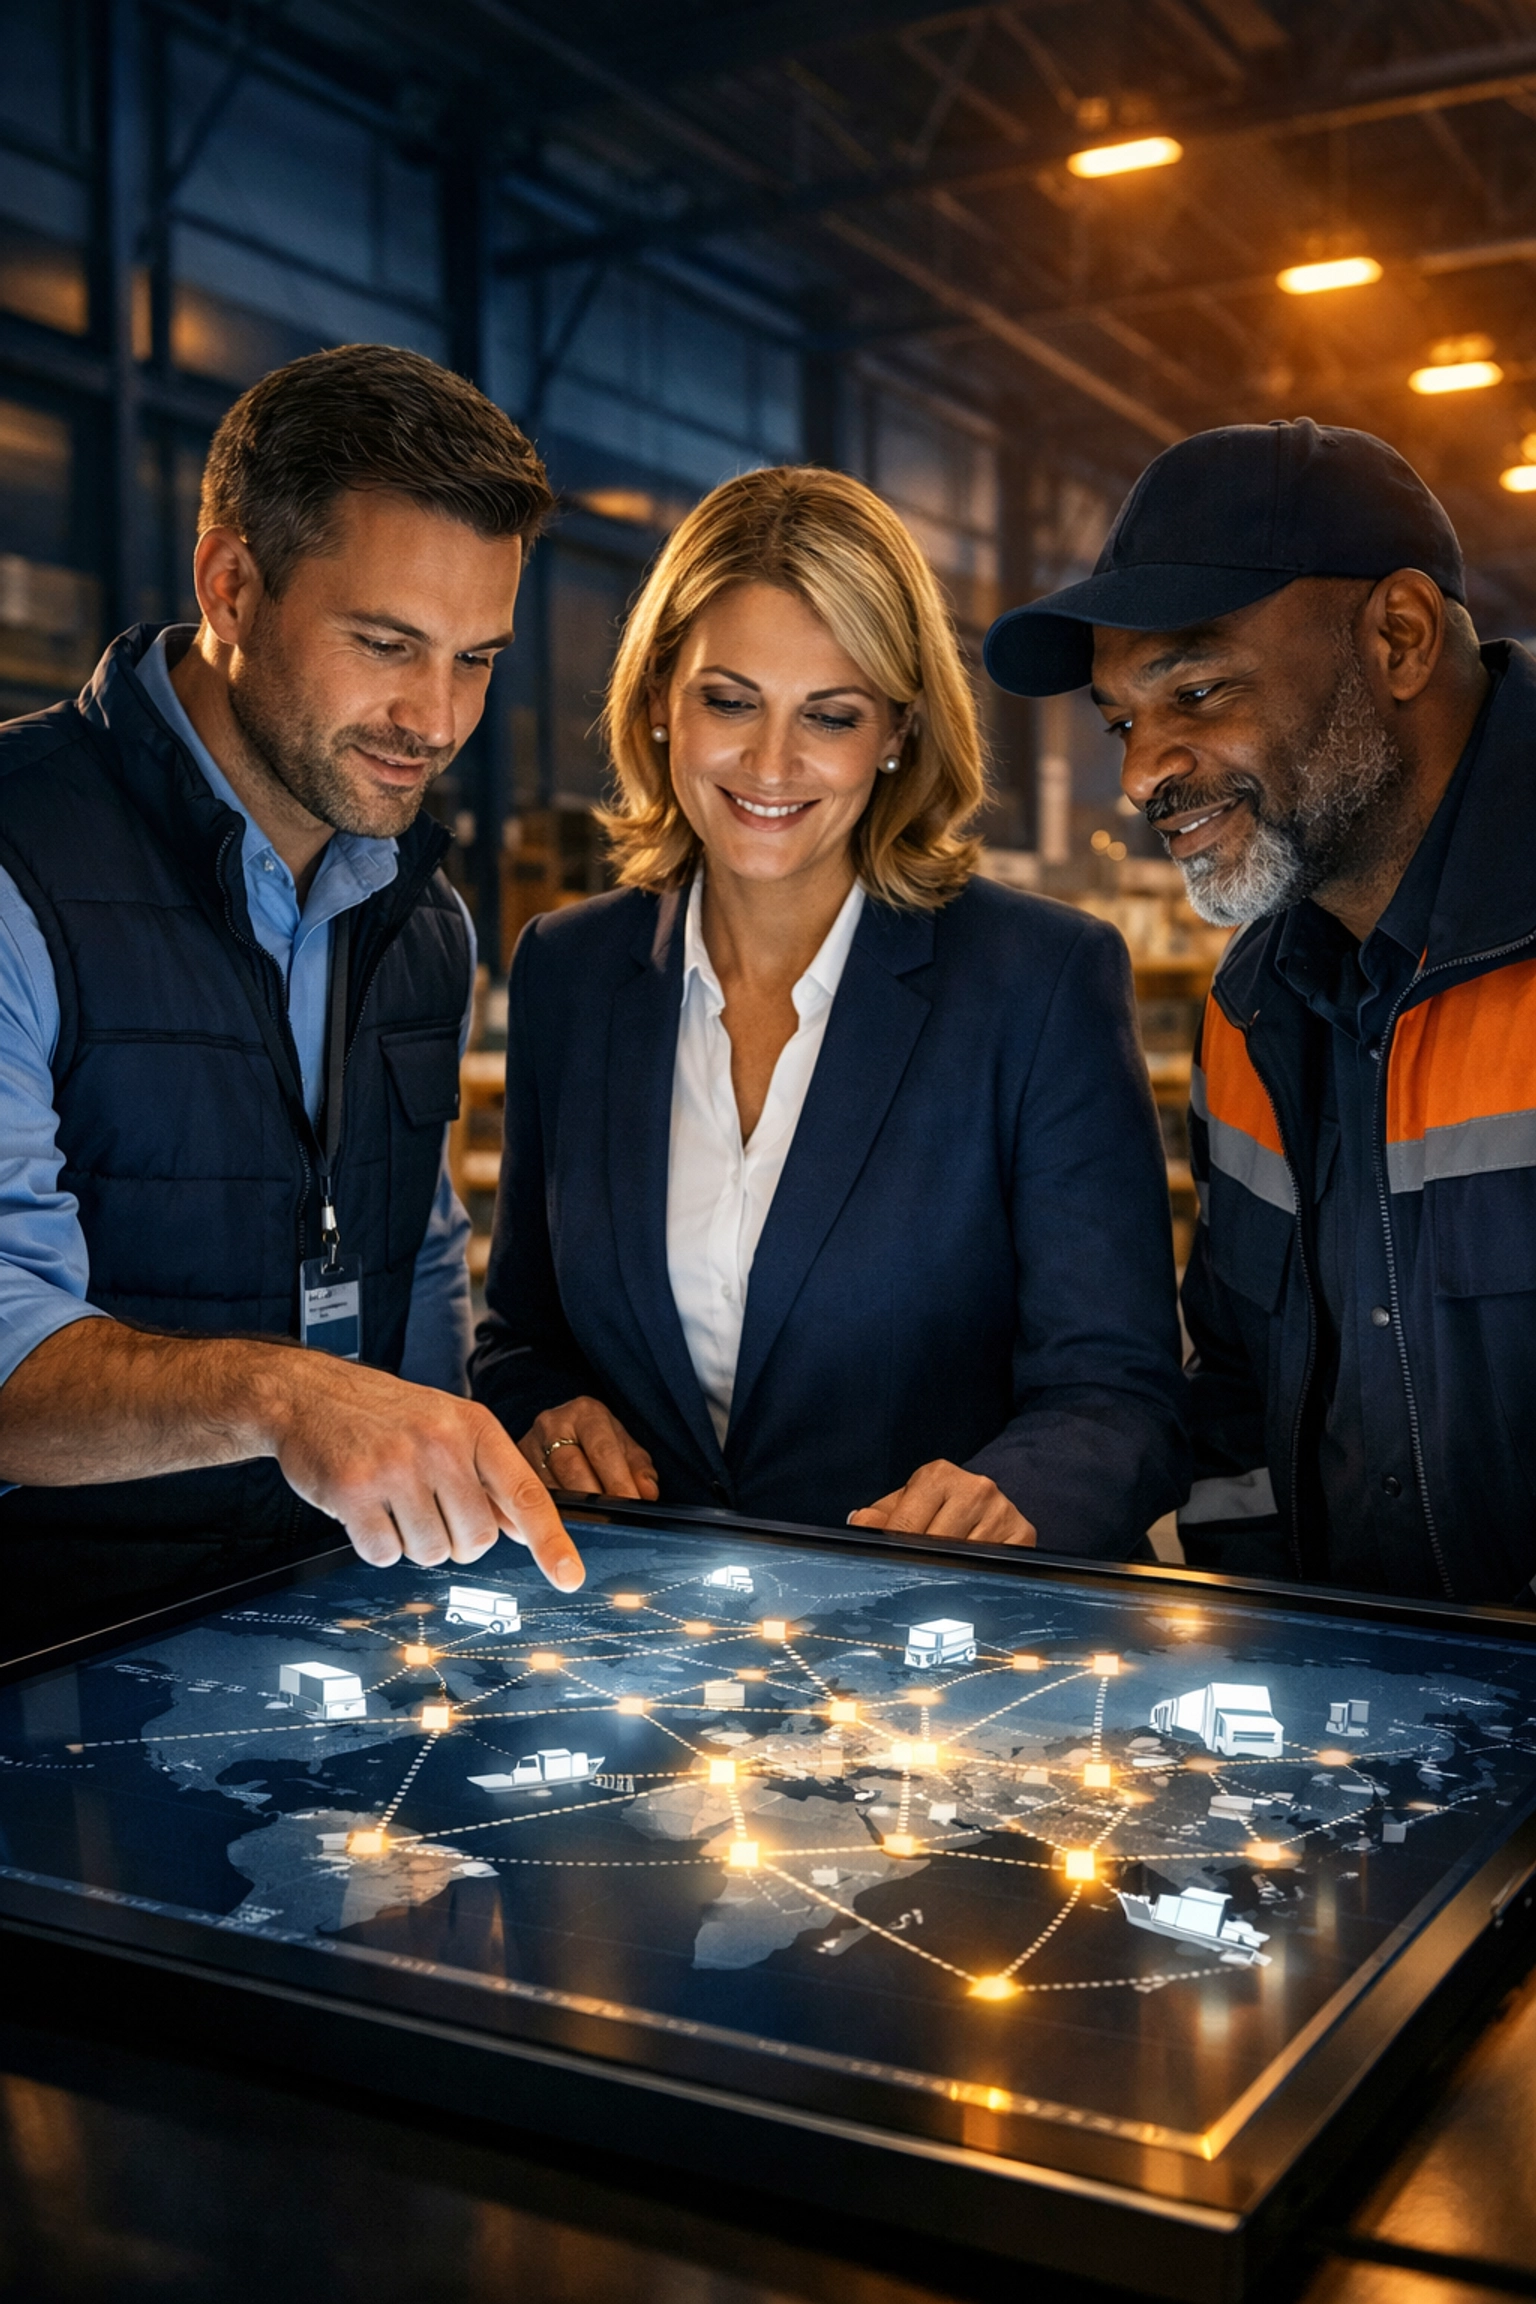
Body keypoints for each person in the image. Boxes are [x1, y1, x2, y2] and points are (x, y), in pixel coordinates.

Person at [470, 466, 1187, 1554]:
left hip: (947, 1662)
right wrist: (547, 1414)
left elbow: (1122, 1391)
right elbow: (524, 1336)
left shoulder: (1037, 981)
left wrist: (1021, 1495)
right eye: (729, 700)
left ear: (898, 730)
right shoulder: (571, 973)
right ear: (663, 698)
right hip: (647, 1643)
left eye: (832, 715)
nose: (770, 763)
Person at [0, 343, 584, 1633]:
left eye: (476, 659)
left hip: (326, 1640)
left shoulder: (420, 915)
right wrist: (283, 1398)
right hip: (49, 1669)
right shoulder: (18, 861)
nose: (434, 720)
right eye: (386, 643)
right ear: (232, 583)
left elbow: (416, 1256)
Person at [984, 415, 1536, 1603]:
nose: (1141, 773)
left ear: (1396, 637)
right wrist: (1271, 1669)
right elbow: (1235, 1410)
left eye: (1197, 688)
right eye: (1125, 721)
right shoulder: (1248, 1019)